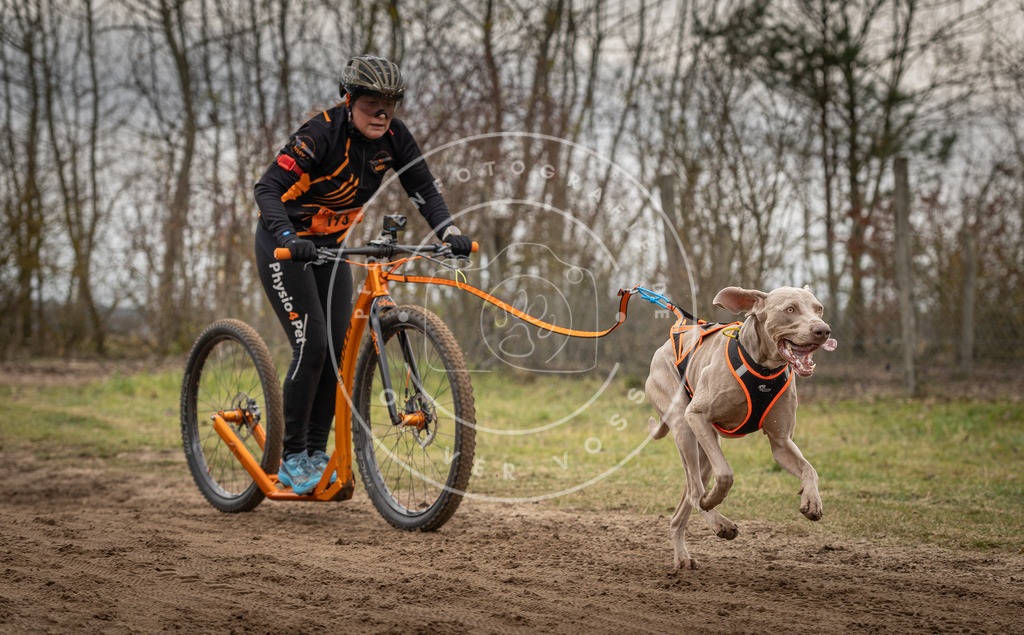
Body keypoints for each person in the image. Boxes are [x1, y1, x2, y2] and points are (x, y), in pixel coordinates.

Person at [253, 55, 473, 495]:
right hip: (285, 246)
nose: (382, 112)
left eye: (390, 103)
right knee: (312, 345)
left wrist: (448, 230)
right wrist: (285, 233)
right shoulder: (319, 135)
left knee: (339, 351)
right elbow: (267, 189)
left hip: (332, 247)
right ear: (349, 100)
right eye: (372, 102)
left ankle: (318, 452)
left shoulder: (395, 137)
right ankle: (293, 455)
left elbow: (423, 188)